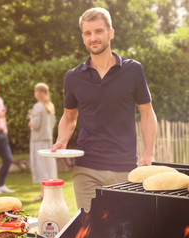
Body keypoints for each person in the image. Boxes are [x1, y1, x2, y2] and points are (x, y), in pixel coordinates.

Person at [51, 7, 157, 212]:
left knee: (125, 231)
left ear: (111, 33)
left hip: (125, 169)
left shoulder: (133, 70)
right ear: (83, 37)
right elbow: (69, 117)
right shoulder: (73, 77)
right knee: (90, 231)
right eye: (88, 33)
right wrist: (61, 141)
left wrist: (148, 153)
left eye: (99, 31)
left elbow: (147, 112)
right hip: (86, 168)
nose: (93, 38)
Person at [28, 83, 57, 201]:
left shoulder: (38, 106)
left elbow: (35, 124)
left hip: (38, 141)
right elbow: (53, 124)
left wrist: (30, 122)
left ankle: (44, 194)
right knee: (49, 167)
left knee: (41, 167)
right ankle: (50, 194)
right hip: (48, 140)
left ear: (38, 93)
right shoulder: (49, 106)